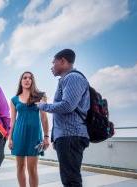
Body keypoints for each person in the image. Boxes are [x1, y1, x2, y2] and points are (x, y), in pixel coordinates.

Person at [38, 49, 90, 187]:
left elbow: (67, 106)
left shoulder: (72, 78)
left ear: (63, 61)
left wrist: (44, 106)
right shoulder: (67, 79)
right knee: (69, 178)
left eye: (53, 62)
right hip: (67, 136)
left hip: (71, 135)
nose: (51, 66)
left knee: (71, 180)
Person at [8, 71, 49, 187]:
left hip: (34, 136)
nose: (27, 80)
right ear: (21, 81)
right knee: (20, 167)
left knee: (32, 169)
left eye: (30, 78)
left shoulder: (40, 96)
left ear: (32, 81)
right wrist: (10, 138)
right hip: (18, 135)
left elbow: (44, 118)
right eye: (24, 78)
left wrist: (46, 137)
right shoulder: (14, 100)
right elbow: (12, 121)